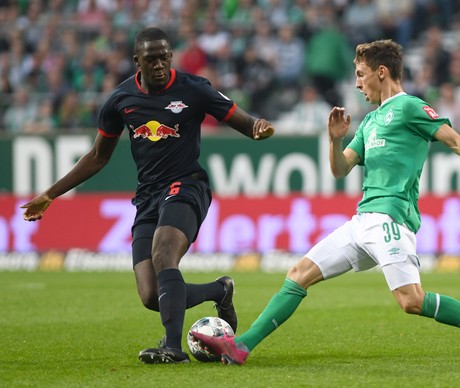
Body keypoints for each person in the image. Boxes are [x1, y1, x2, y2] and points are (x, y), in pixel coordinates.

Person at [191, 39, 460, 365]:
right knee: (298, 274)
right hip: (362, 222)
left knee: (411, 301)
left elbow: (453, 140)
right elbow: (341, 169)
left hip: (391, 219)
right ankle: (242, 347)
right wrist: (333, 140)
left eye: (360, 75)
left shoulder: (408, 107)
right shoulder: (370, 121)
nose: (357, 84)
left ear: (381, 72)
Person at [21, 27, 275, 364]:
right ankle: (219, 290)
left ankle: (172, 347)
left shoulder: (194, 89)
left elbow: (243, 121)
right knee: (151, 294)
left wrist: (258, 128)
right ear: (136, 61)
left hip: (187, 185)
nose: (158, 64)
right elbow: (98, 156)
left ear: (171, 56)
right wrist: (50, 194)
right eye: (150, 58)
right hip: (148, 196)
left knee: (163, 251)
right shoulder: (120, 100)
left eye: (164, 57)